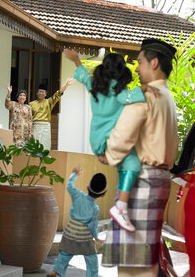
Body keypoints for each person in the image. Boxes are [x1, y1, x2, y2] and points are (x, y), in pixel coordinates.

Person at [98, 38, 178, 277]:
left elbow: (122, 136)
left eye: (141, 62)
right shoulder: (167, 96)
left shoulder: (145, 94)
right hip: (160, 180)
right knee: (146, 259)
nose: (137, 67)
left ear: (154, 63)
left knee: (133, 263)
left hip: (141, 181)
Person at [63, 49, 159, 232]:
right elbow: (132, 97)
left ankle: (120, 202)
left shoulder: (94, 85)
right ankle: (121, 207)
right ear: (121, 71)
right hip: (113, 140)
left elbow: (82, 73)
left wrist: (76, 59)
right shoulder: (119, 91)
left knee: (128, 162)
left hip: (96, 139)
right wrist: (148, 87)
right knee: (132, 164)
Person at [47, 166, 107, 277]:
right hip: (84, 238)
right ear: (103, 194)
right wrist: (96, 237)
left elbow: (69, 186)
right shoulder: (95, 208)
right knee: (92, 260)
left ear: (87, 187)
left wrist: (74, 174)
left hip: (70, 231)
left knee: (64, 255)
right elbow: (93, 226)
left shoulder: (77, 196)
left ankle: (55, 272)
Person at [29, 78, 75, 150]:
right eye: (39, 91)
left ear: (45, 94)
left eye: (42, 92)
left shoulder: (49, 102)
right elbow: (28, 118)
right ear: (37, 93)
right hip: (36, 125)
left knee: (45, 146)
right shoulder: (31, 104)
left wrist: (66, 85)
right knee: (34, 146)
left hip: (46, 126)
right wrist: (30, 130)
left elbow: (58, 94)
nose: (41, 93)